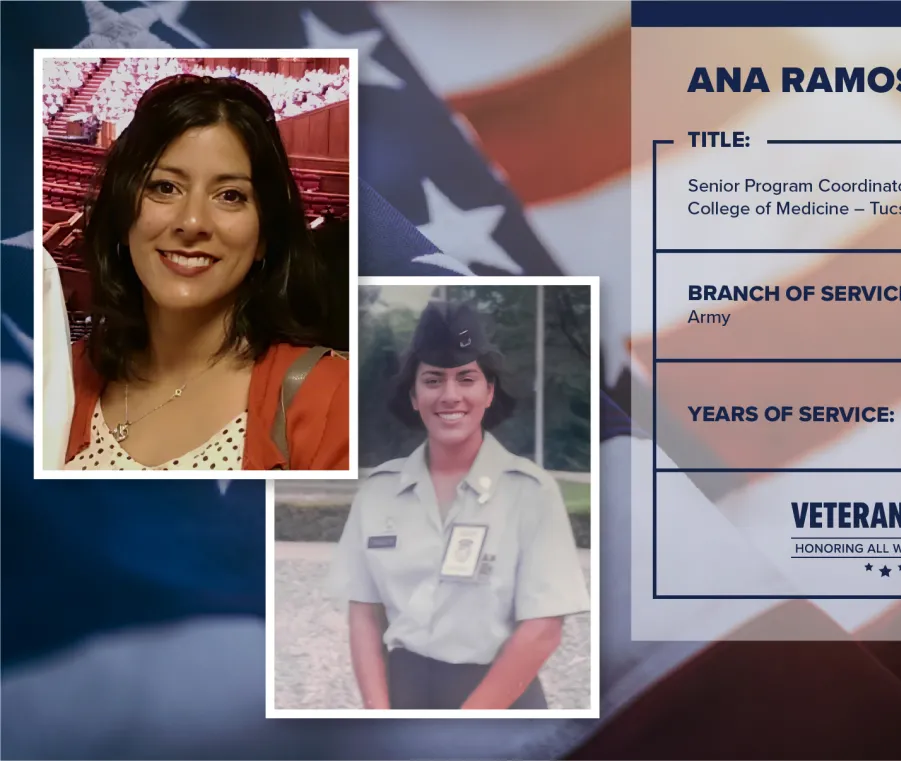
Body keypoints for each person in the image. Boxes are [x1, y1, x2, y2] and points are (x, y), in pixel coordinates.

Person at [62, 74, 348, 472]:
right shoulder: (58, 376)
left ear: (265, 234)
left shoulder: (335, 397)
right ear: (122, 213)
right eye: (164, 187)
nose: (193, 221)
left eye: (230, 196)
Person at [332, 299, 589, 710]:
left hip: (501, 699)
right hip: (403, 695)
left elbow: (543, 629)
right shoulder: (377, 492)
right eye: (433, 380)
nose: (450, 395)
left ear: (489, 391)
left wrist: (463, 725)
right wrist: (379, 718)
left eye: (466, 378)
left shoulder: (530, 491)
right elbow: (364, 614)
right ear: (414, 396)